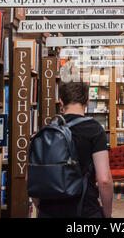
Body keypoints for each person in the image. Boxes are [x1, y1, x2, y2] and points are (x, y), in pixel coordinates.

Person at [34, 81, 113, 218]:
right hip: (85, 209)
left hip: (49, 211)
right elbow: (104, 180)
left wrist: (41, 208)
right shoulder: (94, 130)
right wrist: (107, 214)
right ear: (87, 102)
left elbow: (32, 178)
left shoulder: (47, 131)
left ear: (61, 102)